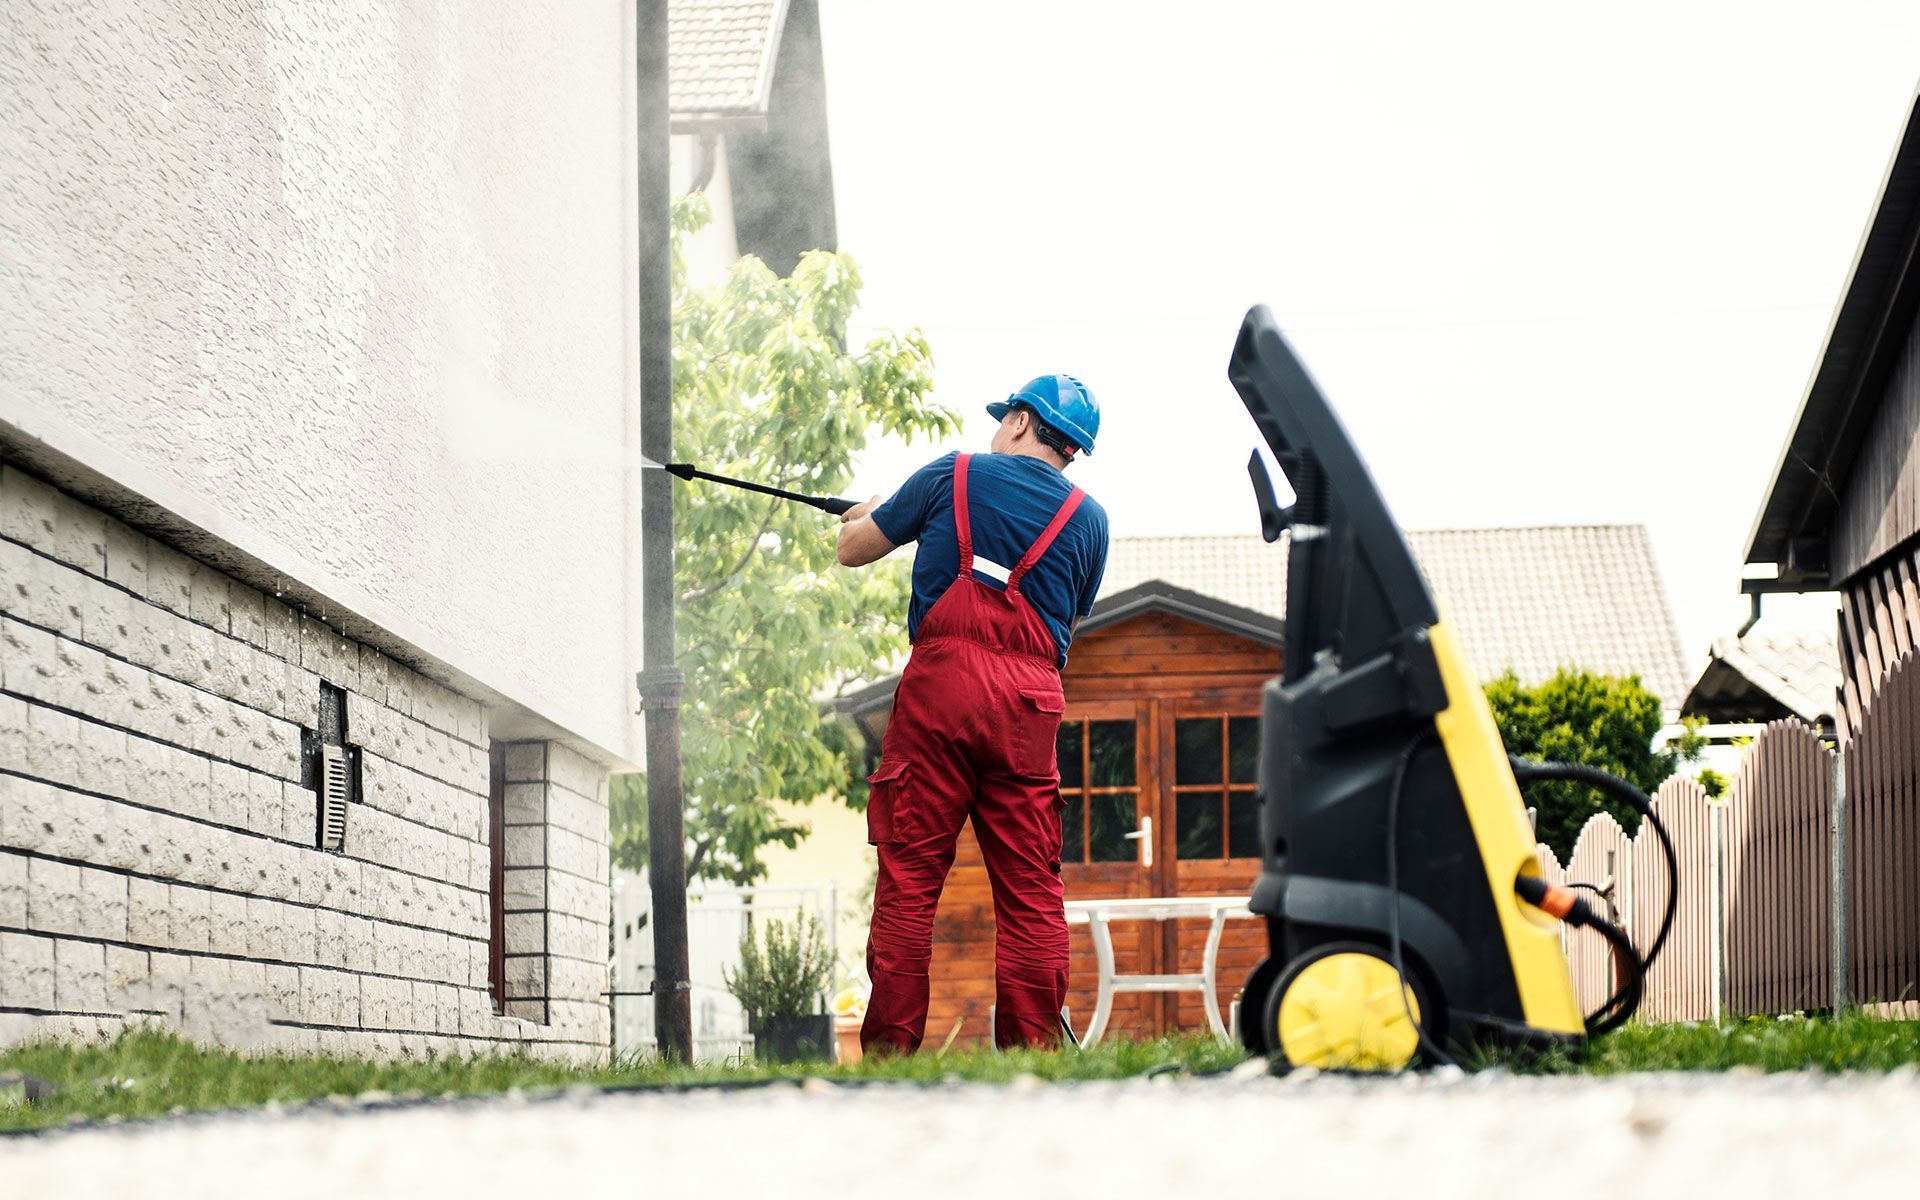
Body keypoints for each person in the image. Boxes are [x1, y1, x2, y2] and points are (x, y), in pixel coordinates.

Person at [835, 374, 1111, 1053]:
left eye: (1003, 418)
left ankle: (891, 1059)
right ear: (1071, 448)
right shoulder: (1090, 519)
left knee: (910, 884)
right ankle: (1033, 1055)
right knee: (1030, 891)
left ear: (1020, 420)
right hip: (1028, 704)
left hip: (941, 693)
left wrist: (870, 513)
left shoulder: (950, 473)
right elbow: (1069, 614)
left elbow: (854, 549)